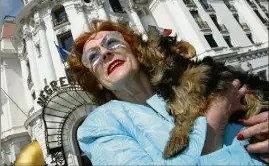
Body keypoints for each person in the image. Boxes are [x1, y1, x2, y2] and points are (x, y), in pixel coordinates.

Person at [68, 20, 268, 165]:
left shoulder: (187, 81)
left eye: (112, 42)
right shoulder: (98, 127)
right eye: (92, 56)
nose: (104, 53)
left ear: (135, 52)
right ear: (97, 82)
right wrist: (215, 119)